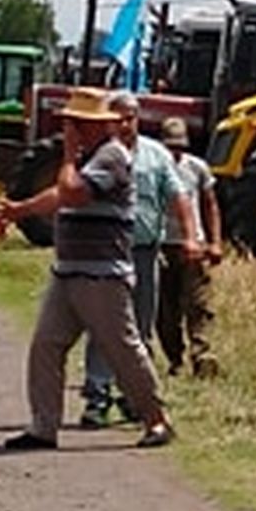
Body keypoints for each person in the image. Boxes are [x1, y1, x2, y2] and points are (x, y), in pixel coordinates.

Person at [0, 86, 175, 450]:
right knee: (46, 345)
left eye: (75, 123)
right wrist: (19, 210)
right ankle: (44, 426)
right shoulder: (89, 157)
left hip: (102, 273)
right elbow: (59, 196)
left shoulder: (110, 156)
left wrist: (68, 157)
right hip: (71, 270)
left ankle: (157, 419)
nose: (69, 128)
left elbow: (72, 191)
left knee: (122, 348)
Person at [79, 91, 199, 427]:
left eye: (130, 117)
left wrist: (190, 236)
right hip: (106, 251)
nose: (124, 123)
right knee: (103, 323)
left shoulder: (156, 155)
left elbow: (179, 197)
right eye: (117, 117)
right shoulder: (97, 155)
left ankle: (133, 396)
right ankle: (97, 396)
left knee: (140, 326)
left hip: (145, 252)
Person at [155, 116, 223, 378]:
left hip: (194, 246)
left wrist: (215, 242)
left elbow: (210, 205)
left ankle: (202, 355)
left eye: (179, 147)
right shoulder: (153, 169)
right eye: (171, 147)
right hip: (162, 245)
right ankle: (175, 358)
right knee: (166, 310)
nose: (175, 152)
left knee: (198, 304)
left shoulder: (197, 168)